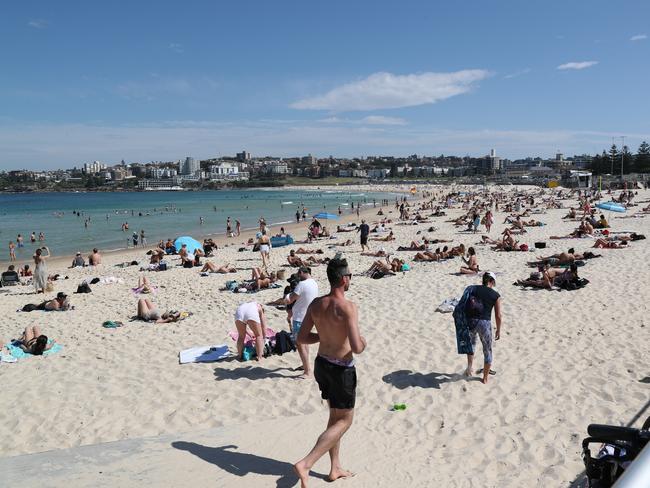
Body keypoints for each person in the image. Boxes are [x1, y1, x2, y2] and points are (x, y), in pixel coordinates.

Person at [294, 257, 365, 487]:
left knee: (334, 418)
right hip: (341, 369)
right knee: (345, 421)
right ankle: (306, 463)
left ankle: (334, 468)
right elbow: (356, 347)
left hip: (322, 365)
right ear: (344, 279)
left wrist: (323, 337)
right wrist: (363, 341)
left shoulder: (316, 304)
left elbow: (302, 337)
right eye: (350, 276)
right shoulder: (348, 307)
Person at [464, 272, 502, 385]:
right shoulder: (496, 295)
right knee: (487, 349)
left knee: (471, 345)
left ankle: (469, 368)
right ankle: (485, 378)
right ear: (492, 281)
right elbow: (498, 315)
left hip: (471, 321)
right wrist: (498, 329)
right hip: (484, 323)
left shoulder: (473, 289)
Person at [285, 266, 319, 378]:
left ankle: (307, 371)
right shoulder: (314, 283)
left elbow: (290, 299)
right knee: (305, 342)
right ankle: (306, 365)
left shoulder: (302, 284)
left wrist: (286, 296)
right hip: (310, 316)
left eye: (298, 274)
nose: (298, 277)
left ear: (301, 272)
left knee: (300, 344)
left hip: (300, 317)